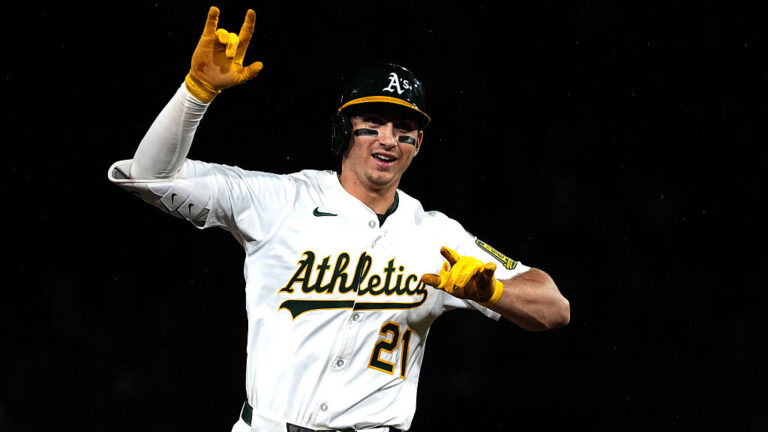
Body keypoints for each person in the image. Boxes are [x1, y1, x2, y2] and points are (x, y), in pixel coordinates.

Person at [108, 6, 570, 432]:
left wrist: (496, 292)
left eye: (404, 130)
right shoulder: (280, 200)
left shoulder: (436, 236)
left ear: (419, 144)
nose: (388, 140)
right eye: (373, 121)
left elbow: (555, 309)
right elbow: (148, 176)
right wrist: (196, 93)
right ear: (342, 128)